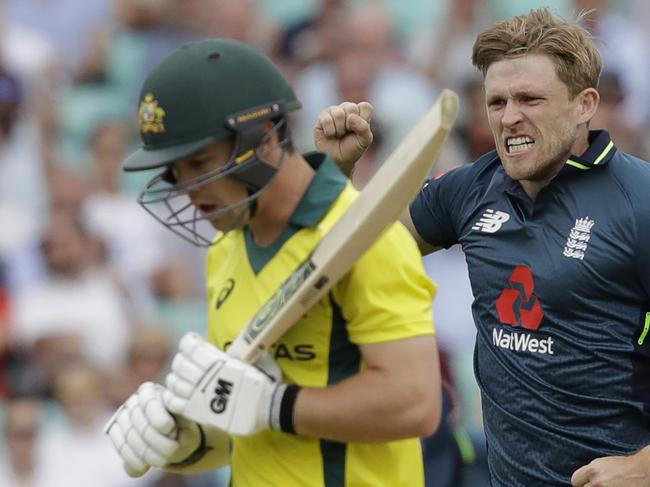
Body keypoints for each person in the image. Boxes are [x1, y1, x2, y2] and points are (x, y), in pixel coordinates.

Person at [314, 7, 650, 487]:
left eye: (530, 99)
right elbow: (351, 256)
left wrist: (644, 466)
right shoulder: (472, 187)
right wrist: (335, 173)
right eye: (496, 103)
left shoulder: (639, 201)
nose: (510, 118)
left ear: (585, 104)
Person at [104, 38, 443, 487]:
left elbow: (414, 404)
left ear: (263, 137)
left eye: (199, 162)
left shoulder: (366, 238)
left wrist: (272, 404)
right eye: (175, 172)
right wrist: (189, 441)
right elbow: (244, 423)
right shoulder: (225, 249)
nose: (188, 189)